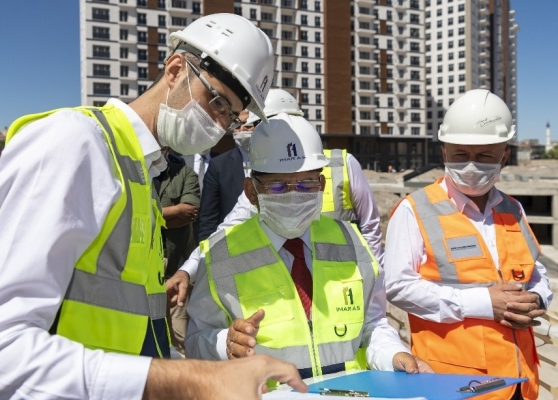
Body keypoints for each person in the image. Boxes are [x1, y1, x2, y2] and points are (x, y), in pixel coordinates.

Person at [0, 14, 308, 400]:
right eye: (217, 101)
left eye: (230, 116)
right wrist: (190, 379)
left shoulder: (140, 175)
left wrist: (205, 369)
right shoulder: (77, 143)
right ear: (175, 70)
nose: (219, 123)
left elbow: (136, 335)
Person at [185, 113, 432, 378]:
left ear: (322, 185)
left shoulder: (350, 240)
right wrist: (224, 344)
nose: (294, 196)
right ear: (251, 192)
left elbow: (371, 323)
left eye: (306, 184)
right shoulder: (220, 255)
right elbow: (196, 341)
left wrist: (392, 354)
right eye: (277, 186)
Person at [384, 89, 553, 400]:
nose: (472, 165)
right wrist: (483, 303)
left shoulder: (513, 208)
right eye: (461, 154)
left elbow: (535, 271)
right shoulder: (414, 210)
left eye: (485, 156)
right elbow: (397, 287)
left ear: (504, 156)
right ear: (444, 153)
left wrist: (538, 298)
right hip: (456, 385)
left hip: (520, 381)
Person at [167, 91, 384, 305]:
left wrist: (374, 282)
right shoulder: (265, 180)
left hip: (341, 277)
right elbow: (227, 229)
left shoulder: (342, 163)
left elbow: (370, 226)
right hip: (286, 278)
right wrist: (189, 270)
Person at [154, 150, 200, 356]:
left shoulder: (185, 173)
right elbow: (129, 214)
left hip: (176, 264)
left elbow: (189, 212)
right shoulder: (135, 175)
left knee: (181, 334)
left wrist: (152, 217)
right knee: (154, 333)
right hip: (147, 267)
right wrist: (175, 211)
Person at [197, 108, 254, 241]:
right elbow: (208, 217)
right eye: (237, 126)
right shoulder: (219, 165)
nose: (242, 130)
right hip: (232, 241)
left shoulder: (275, 161)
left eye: (248, 126)